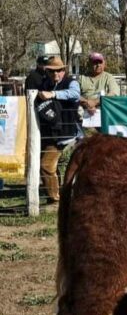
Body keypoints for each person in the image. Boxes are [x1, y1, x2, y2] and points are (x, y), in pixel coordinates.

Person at [36, 56, 82, 204]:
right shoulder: (45, 84)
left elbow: (75, 94)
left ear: (64, 70)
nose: (56, 74)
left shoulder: (71, 82)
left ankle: (56, 199)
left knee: (46, 165)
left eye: (59, 71)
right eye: (52, 71)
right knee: (50, 166)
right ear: (47, 71)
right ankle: (57, 195)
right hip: (51, 134)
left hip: (69, 134)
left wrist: (54, 94)